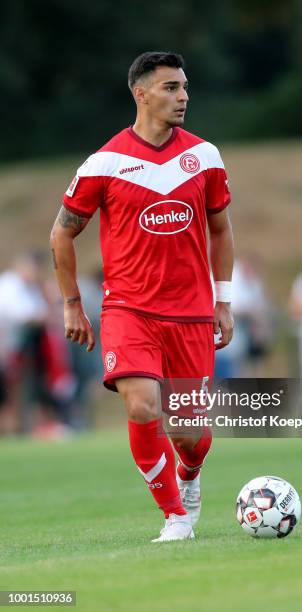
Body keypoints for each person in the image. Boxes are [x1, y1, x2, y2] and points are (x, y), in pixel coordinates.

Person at [50, 52, 234, 542]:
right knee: (141, 407)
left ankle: (189, 476)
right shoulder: (104, 163)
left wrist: (225, 300)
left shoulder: (205, 157)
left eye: (185, 87)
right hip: (128, 308)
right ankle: (175, 517)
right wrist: (72, 303)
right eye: (172, 88)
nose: (183, 97)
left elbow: (221, 228)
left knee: (190, 437)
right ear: (141, 94)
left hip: (192, 314)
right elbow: (62, 234)